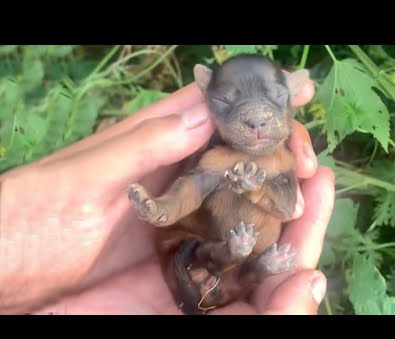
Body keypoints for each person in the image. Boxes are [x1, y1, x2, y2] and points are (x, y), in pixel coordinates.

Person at [0, 76, 335, 315]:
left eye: (269, 106)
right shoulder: (217, 158)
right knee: (209, 254)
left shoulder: (283, 161)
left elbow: (285, 205)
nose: (256, 123)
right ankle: (238, 255)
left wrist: (258, 188)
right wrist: (162, 208)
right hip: (203, 252)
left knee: (246, 272)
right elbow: (191, 188)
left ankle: (254, 262)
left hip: (239, 264)